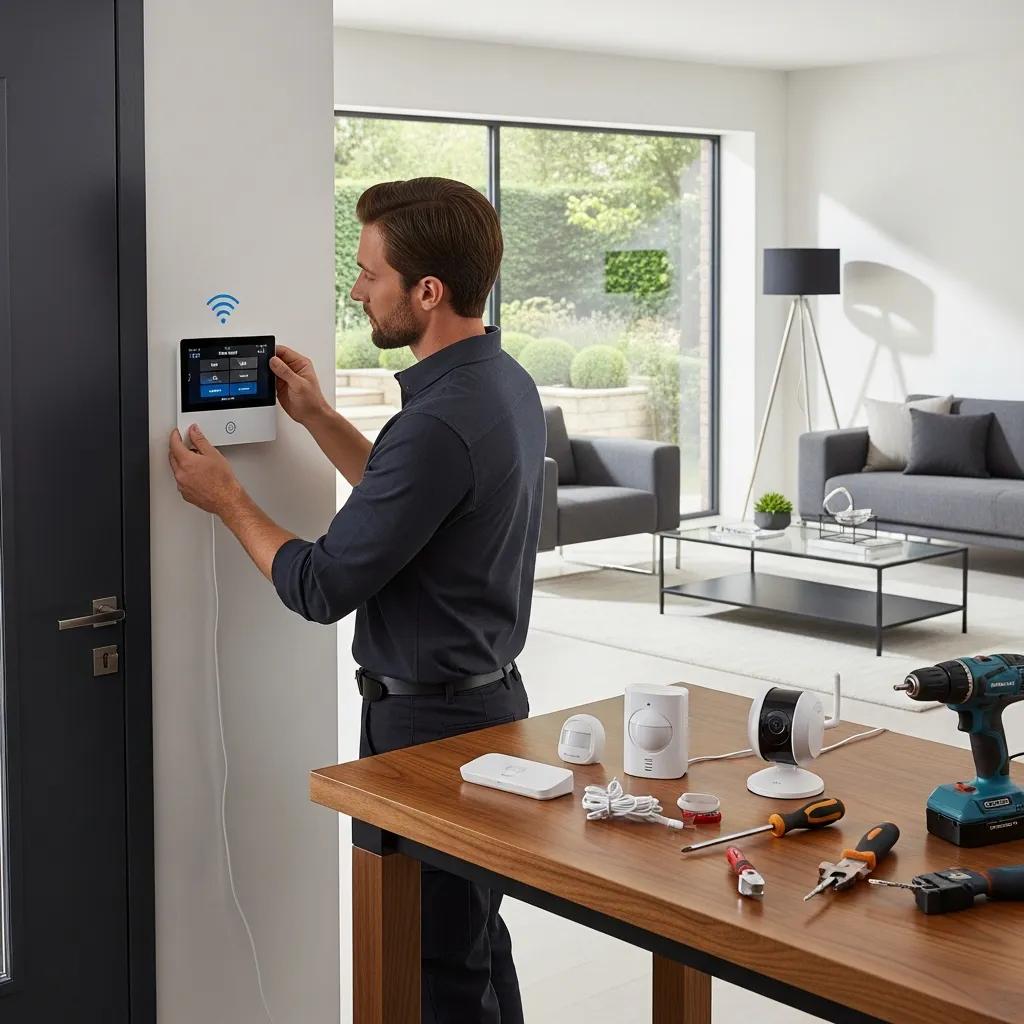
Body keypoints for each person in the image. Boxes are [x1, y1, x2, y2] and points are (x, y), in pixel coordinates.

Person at [168, 176, 546, 1023]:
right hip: (488, 706)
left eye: (369, 272)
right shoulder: (502, 385)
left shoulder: (437, 422)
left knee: (433, 968)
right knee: (475, 947)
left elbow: (321, 583)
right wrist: (316, 417)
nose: (355, 288)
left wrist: (226, 497)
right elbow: (410, 497)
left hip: (428, 733)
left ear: (428, 292)